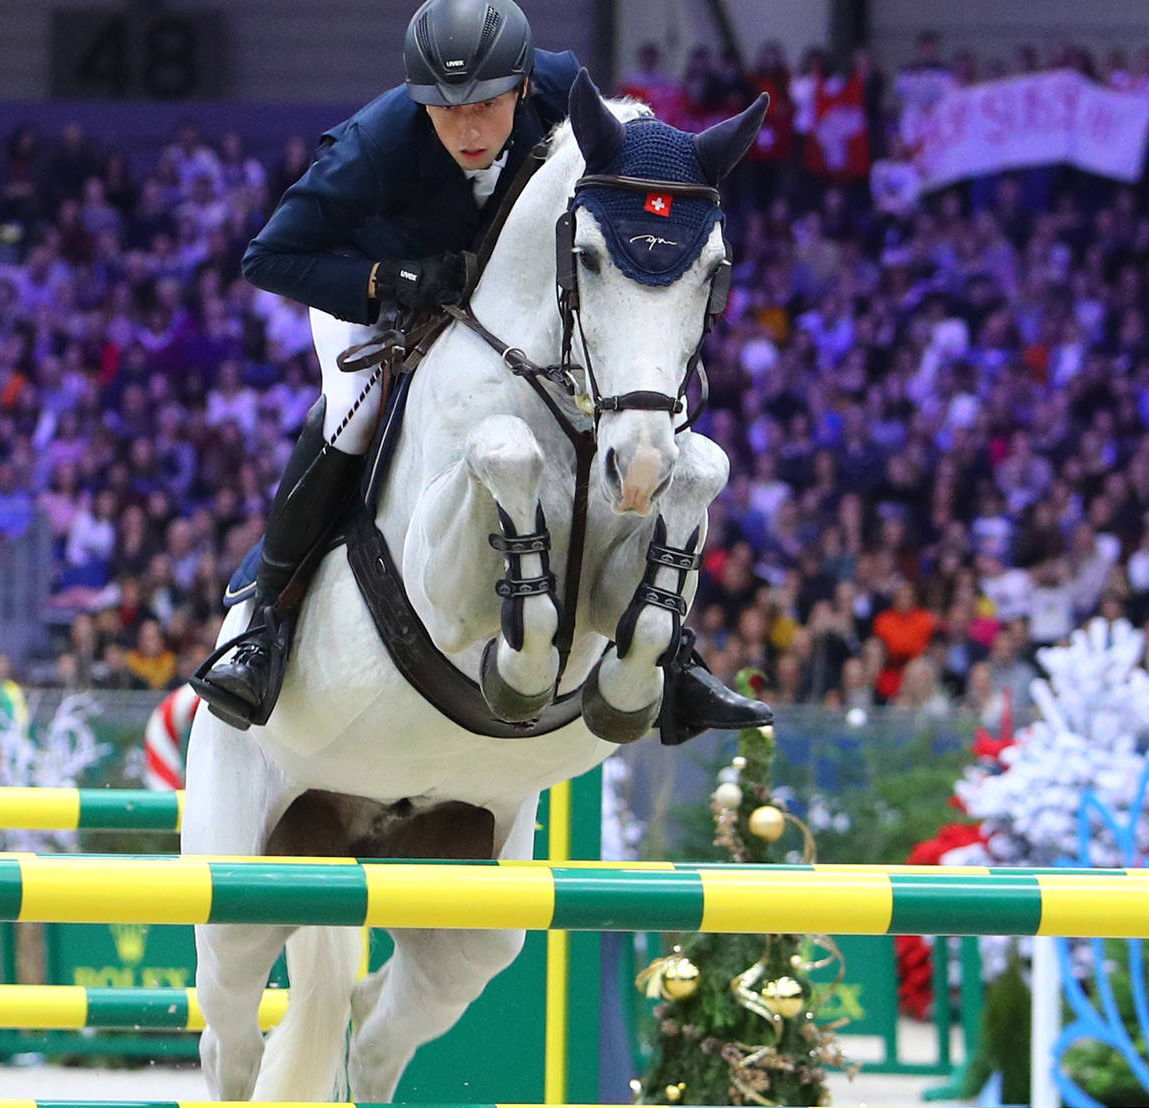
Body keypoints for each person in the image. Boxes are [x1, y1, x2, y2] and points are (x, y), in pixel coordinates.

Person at [191, 0, 767, 744]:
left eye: (487, 107)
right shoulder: (375, 146)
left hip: (508, 292)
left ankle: (670, 651)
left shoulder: (563, 89)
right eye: (445, 110)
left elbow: (639, 159)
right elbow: (267, 257)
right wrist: (393, 280)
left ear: (523, 89)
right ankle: (266, 618)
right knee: (352, 412)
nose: (468, 130)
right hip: (378, 290)